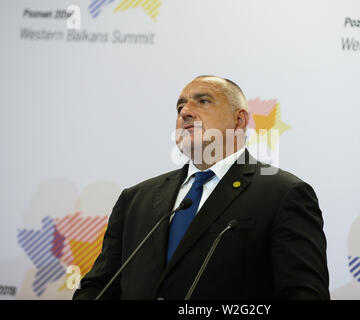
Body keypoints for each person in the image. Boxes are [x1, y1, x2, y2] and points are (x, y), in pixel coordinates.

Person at [73, 75, 330, 300]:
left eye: (203, 101)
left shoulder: (283, 195)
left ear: (239, 120)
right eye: (180, 106)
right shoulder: (136, 199)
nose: (185, 111)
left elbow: (304, 293)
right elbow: (100, 287)